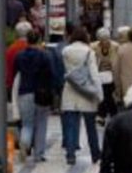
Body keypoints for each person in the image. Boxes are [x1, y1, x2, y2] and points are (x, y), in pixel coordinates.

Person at [61, 27, 103, 165]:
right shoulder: (89, 52)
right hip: (86, 91)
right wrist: (99, 93)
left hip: (70, 90)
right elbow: (94, 73)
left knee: (71, 125)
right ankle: (95, 153)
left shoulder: (65, 51)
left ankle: (71, 154)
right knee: (91, 126)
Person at [13, 30, 53, 163]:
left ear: (27, 41)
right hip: (41, 93)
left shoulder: (19, 56)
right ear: (39, 40)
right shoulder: (45, 56)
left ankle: (24, 143)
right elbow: (50, 74)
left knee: (27, 123)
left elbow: (15, 73)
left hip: (24, 92)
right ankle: (39, 154)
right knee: (41, 123)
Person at [92, 28, 120, 125]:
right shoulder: (94, 47)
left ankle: (102, 115)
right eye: (102, 40)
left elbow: (117, 62)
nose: (105, 42)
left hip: (112, 75)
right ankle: (112, 114)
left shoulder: (116, 46)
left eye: (106, 39)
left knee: (107, 93)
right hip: (99, 75)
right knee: (105, 93)